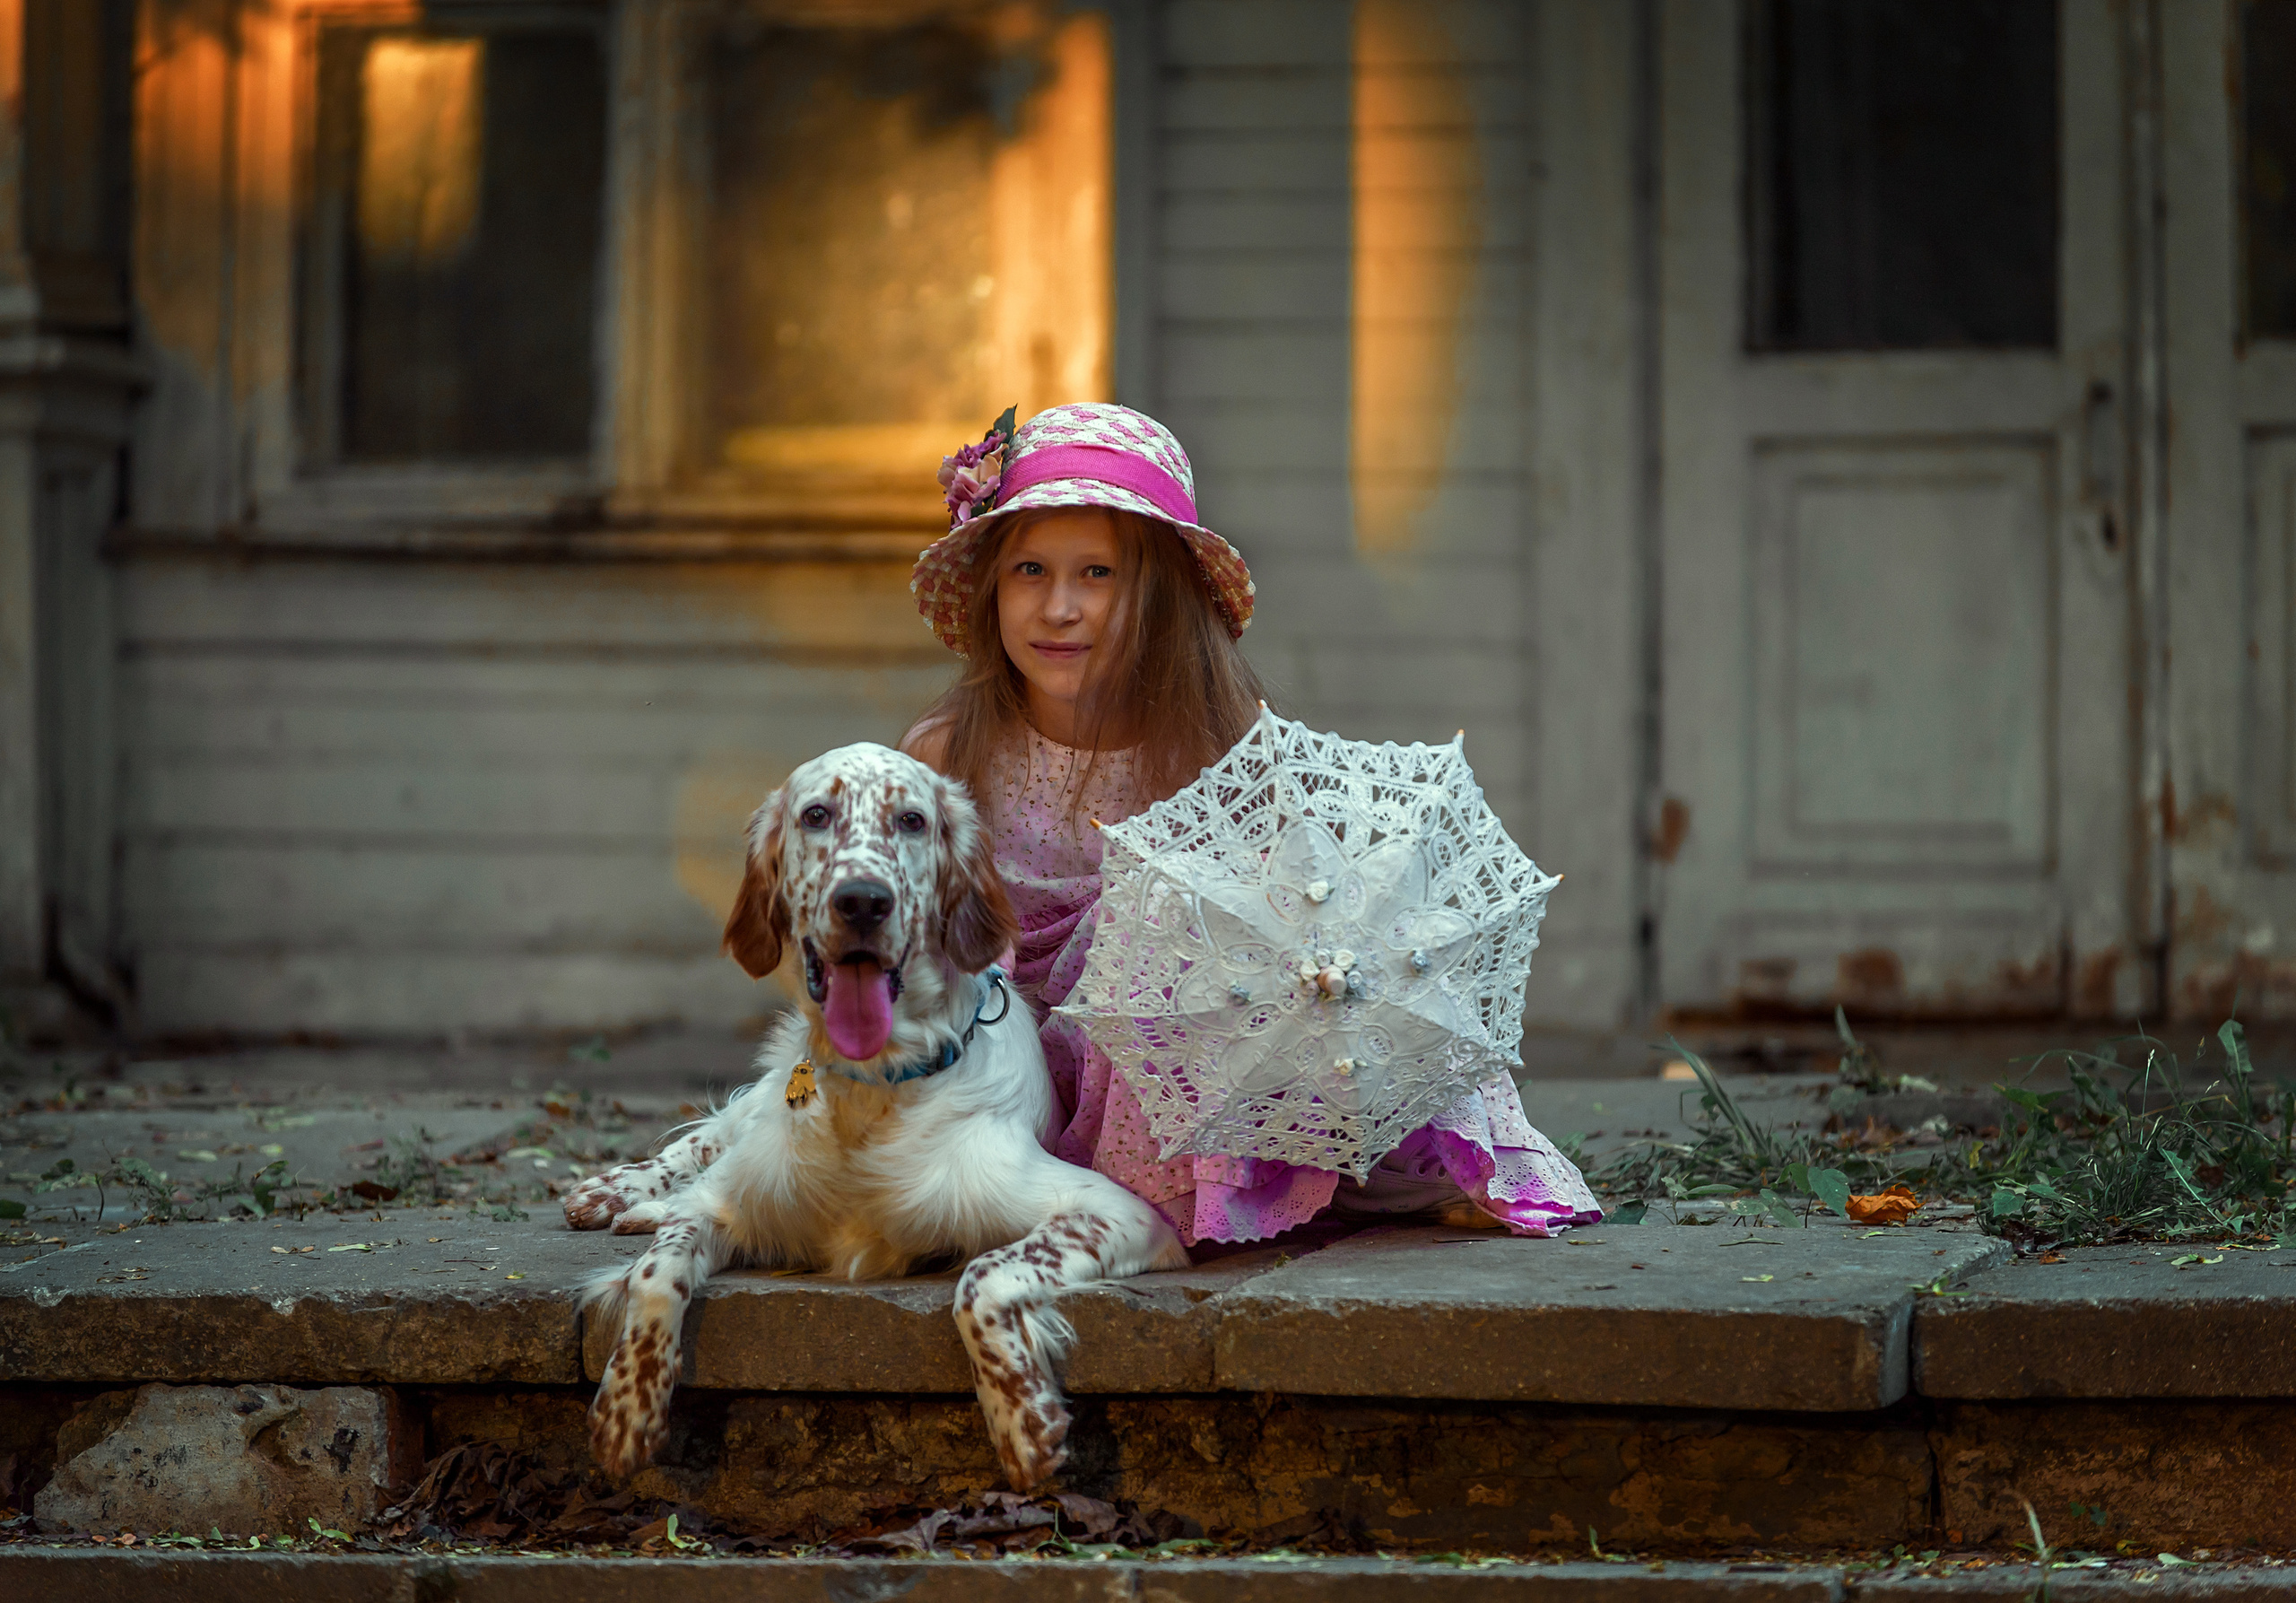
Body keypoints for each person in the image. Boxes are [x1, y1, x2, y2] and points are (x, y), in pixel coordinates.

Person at [902, 402, 1599, 1248]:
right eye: (1030, 572)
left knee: (1327, 947)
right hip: (1012, 1049)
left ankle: (1339, 1172)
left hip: (1168, 1041)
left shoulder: (1211, 741)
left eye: (1098, 575)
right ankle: (1146, 1192)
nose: (1059, 608)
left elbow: (1270, 935)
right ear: (991, 588)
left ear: (1162, 596)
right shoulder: (949, 750)